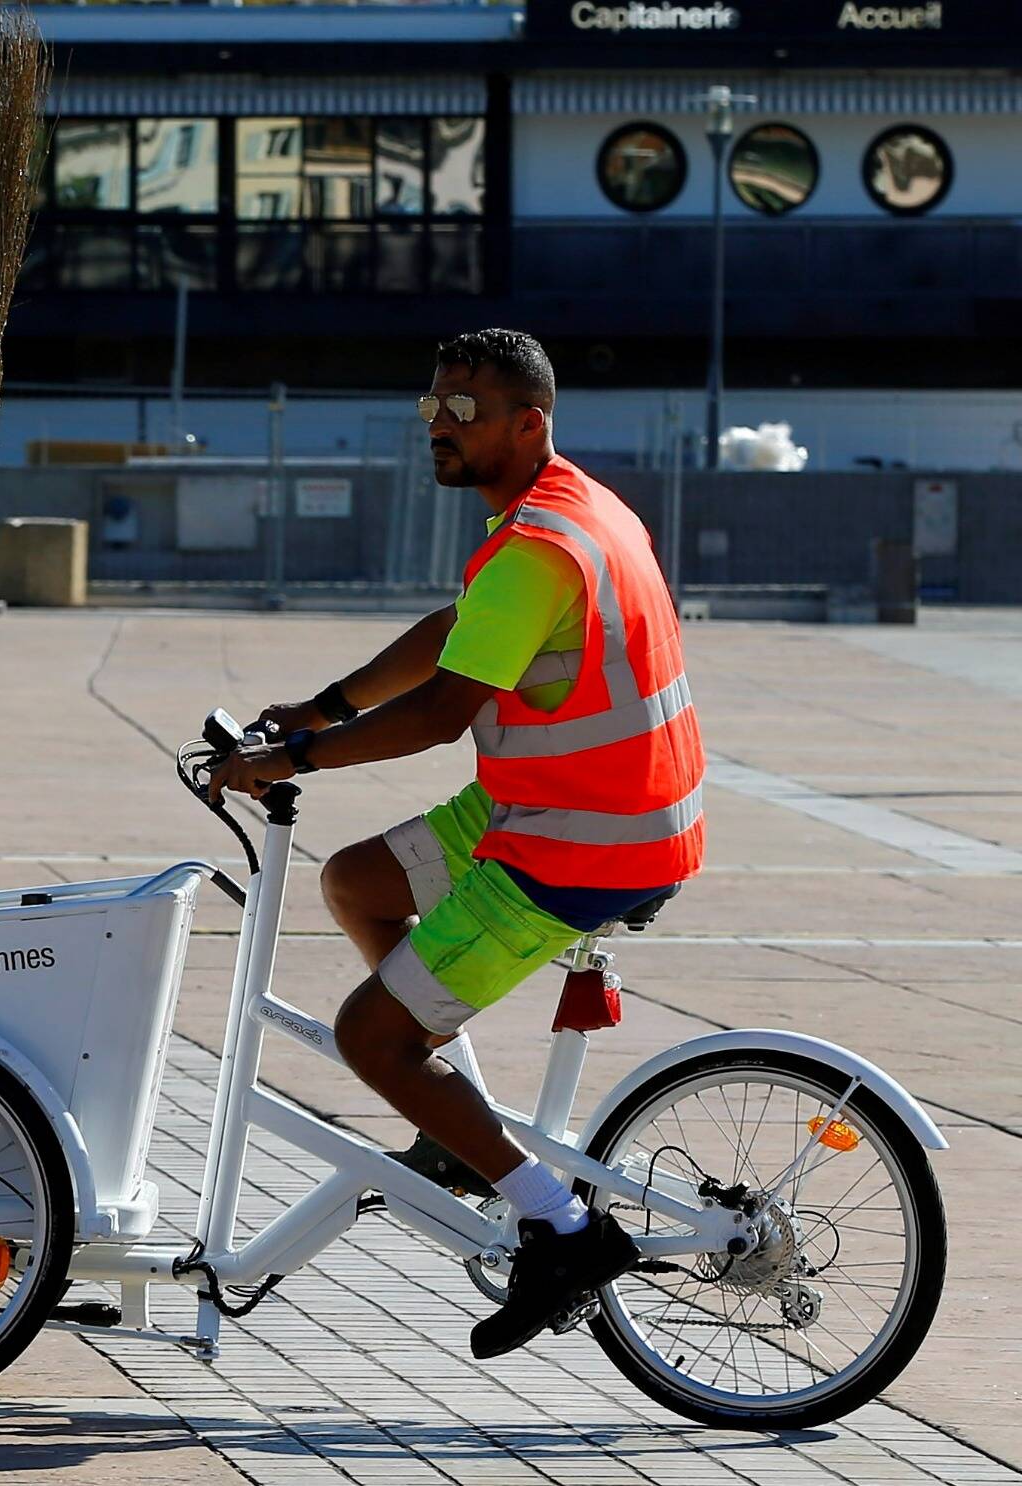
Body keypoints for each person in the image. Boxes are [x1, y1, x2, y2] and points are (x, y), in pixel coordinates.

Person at [207, 329, 705, 1361]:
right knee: (352, 882)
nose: (440, 421)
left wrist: (291, 756)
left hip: (577, 840)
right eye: (432, 403)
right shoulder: (564, 509)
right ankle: (459, 1126)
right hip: (568, 800)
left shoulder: (537, 544)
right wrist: (326, 704)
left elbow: (440, 713)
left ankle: (560, 1227)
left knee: (370, 1038)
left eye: (465, 408)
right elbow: (455, 630)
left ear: (529, 422)